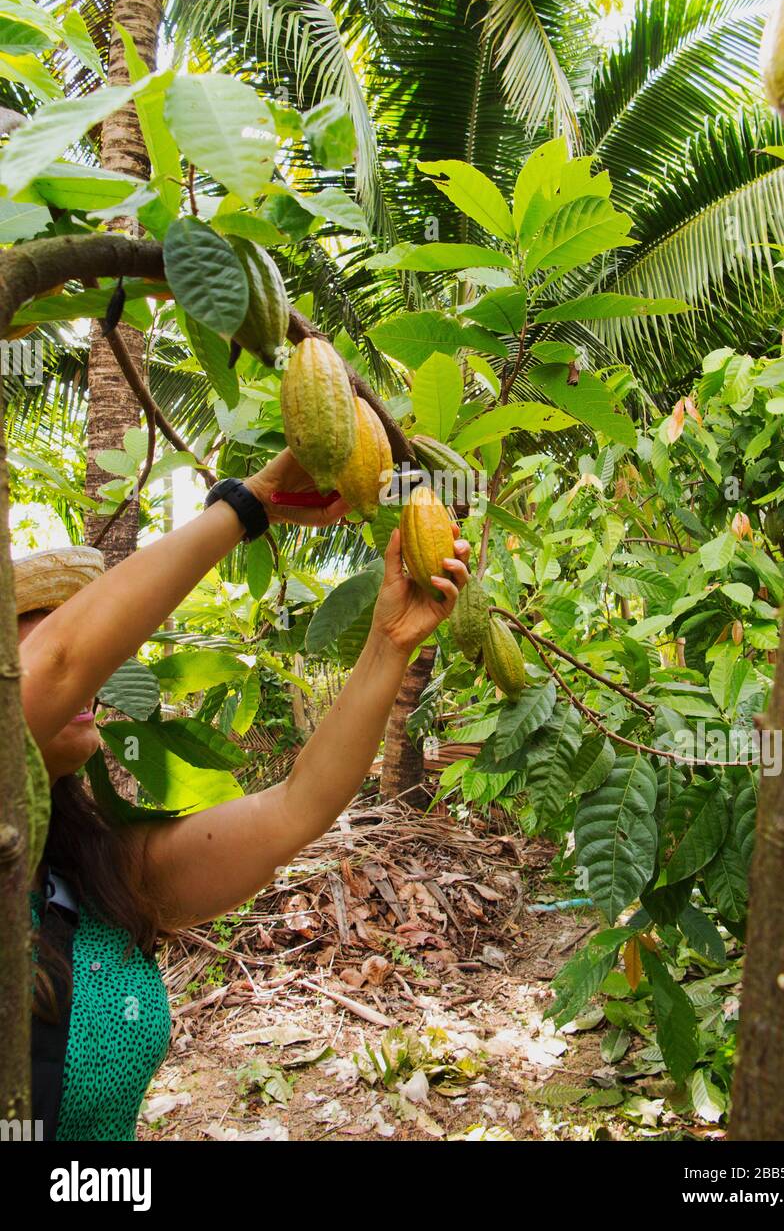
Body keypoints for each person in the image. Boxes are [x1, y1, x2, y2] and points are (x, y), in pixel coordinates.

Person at [16, 446, 470, 1140]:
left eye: (65, 618)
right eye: (28, 630)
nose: (84, 666)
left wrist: (389, 642)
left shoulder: (96, 874)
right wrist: (248, 502)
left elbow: (296, 808)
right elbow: (59, 667)